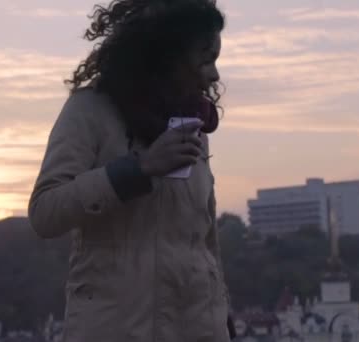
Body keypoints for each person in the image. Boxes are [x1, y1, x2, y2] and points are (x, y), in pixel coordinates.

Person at [28, 0, 232, 341]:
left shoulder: (190, 122)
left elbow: (206, 240)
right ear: (168, 56)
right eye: (206, 59)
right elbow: (45, 212)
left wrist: (224, 317)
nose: (214, 75)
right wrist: (138, 170)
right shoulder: (89, 110)